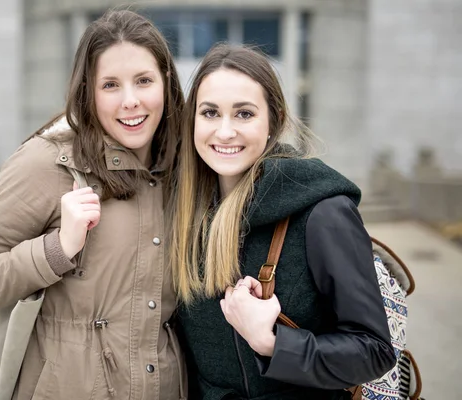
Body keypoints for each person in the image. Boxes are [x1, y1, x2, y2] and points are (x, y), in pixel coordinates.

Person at [0, 9, 186, 400]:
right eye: (110, 85)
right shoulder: (47, 162)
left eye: (143, 81)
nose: (131, 101)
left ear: (166, 83)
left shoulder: (184, 170)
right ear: (87, 91)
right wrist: (56, 250)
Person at [169, 43, 396, 400]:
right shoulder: (185, 215)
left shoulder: (322, 212)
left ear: (272, 120)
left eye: (244, 114)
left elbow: (374, 351)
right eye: (210, 113)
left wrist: (271, 342)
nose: (225, 132)